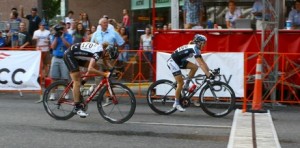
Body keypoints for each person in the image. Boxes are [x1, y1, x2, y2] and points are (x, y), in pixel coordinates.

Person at [63, 42, 118, 117]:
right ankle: (77, 108)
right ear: (107, 52)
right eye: (109, 57)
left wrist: (113, 70)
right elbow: (90, 68)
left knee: (96, 68)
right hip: (69, 55)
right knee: (77, 81)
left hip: (76, 55)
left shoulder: (103, 52)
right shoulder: (99, 52)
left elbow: (106, 63)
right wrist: (105, 74)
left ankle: (82, 83)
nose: (109, 59)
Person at [167, 34, 214, 111]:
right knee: (180, 83)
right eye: (204, 43)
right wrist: (208, 74)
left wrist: (209, 71)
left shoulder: (196, 49)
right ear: (199, 43)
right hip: (173, 62)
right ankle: (176, 103)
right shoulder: (194, 48)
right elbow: (201, 63)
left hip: (179, 61)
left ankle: (187, 85)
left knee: (195, 67)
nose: (204, 45)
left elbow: (203, 62)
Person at [49, 23, 73, 101]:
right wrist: (56, 37)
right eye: (60, 29)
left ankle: (66, 93)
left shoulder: (68, 36)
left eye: (63, 29)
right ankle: (52, 94)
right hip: (56, 57)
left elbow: (69, 46)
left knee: (65, 78)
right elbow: (53, 47)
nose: (62, 30)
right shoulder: (54, 36)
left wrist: (62, 38)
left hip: (64, 58)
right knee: (54, 77)